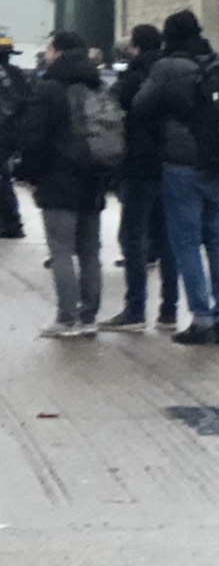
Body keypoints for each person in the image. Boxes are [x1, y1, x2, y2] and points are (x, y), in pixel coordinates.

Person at [132, 10, 219, 346]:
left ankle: (200, 319)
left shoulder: (168, 67)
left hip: (182, 165)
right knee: (217, 240)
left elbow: (140, 106)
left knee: (187, 243)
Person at [16, 32, 108, 338]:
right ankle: (89, 316)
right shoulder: (98, 84)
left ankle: (66, 318)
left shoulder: (49, 88)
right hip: (93, 176)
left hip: (58, 178)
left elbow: (34, 137)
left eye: (49, 47)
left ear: (58, 52)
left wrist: (29, 174)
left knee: (61, 251)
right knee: (90, 252)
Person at [98, 24, 180, 332]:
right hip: (169, 164)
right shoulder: (172, 75)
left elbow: (112, 116)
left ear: (134, 47)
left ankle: (135, 309)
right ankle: (169, 310)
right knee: (167, 237)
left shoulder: (130, 79)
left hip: (136, 166)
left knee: (134, 238)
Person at [0, 34, 31, 238]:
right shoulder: (18, 75)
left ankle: (10, 222)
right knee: (3, 178)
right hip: (12, 134)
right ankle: (11, 220)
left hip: (3, 132)